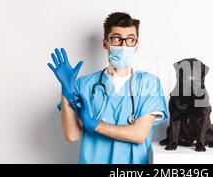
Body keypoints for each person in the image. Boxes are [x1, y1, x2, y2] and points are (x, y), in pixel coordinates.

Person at [47, 12, 169, 164]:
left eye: (130, 39)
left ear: (136, 45)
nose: (124, 45)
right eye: (117, 39)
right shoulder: (83, 85)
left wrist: (96, 125)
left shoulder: (149, 84)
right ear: (105, 43)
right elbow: (72, 135)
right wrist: (66, 93)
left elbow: (139, 135)